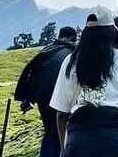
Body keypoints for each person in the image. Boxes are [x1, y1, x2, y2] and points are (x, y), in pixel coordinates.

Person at [50, 6, 118, 157]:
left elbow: (61, 115)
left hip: (78, 142)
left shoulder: (70, 62)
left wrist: (64, 150)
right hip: (117, 141)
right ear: (111, 32)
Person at [15, 26, 79, 157]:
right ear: (73, 38)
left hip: (41, 96)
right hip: (58, 96)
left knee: (49, 131)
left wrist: (26, 98)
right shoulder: (72, 53)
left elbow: (30, 70)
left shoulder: (48, 49)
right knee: (58, 132)